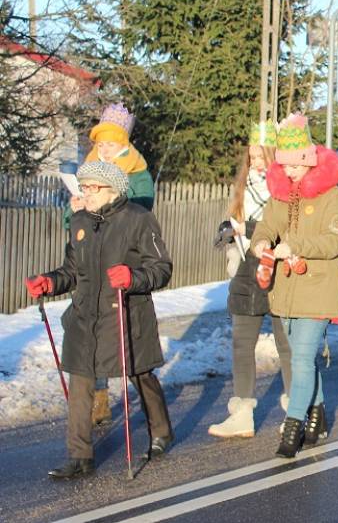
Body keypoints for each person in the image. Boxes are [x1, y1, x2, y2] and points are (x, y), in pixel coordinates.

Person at [26, 161, 173, 479]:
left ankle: (160, 431)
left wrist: (133, 276)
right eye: (84, 187)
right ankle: (80, 457)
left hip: (124, 314)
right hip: (84, 317)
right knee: (80, 382)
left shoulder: (138, 219)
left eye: (94, 188)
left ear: (113, 190)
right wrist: (50, 282)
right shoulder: (79, 221)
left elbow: (162, 268)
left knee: (140, 375)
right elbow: (72, 271)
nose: (86, 193)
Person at [249, 114, 338, 458]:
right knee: (300, 358)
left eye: (293, 166)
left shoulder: (333, 196)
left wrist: (296, 246)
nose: (288, 172)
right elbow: (266, 228)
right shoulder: (281, 196)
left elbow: (335, 242)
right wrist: (261, 244)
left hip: (318, 288)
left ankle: (293, 426)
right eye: (284, 166)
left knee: (303, 358)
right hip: (286, 289)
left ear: (308, 161)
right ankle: (318, 415)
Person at [70, 103, 157, 425]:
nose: (104, 150)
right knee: (88, 330)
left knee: (119, 334)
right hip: (89, 260)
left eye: (110, 143)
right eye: (100, 144)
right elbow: (74, 223)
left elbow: (142, 212)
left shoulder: (138, 173)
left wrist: (112, 198)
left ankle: (152, 408)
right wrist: (76, 206)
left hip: (122, 261)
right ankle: (99, 399)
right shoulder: (89, 169)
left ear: (124, 144)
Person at [208, 121, 293, 438]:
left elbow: (285, 228)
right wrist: (228, 230)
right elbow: (237, 220)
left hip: (277, 270)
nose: (256, 164)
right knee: (242, 344)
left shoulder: (285, 188)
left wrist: (252, 228)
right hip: (246, 268)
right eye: (252, 157)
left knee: (286, 344)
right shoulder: (243, 187)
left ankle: (295, 411)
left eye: (262, 157)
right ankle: (242, 413)